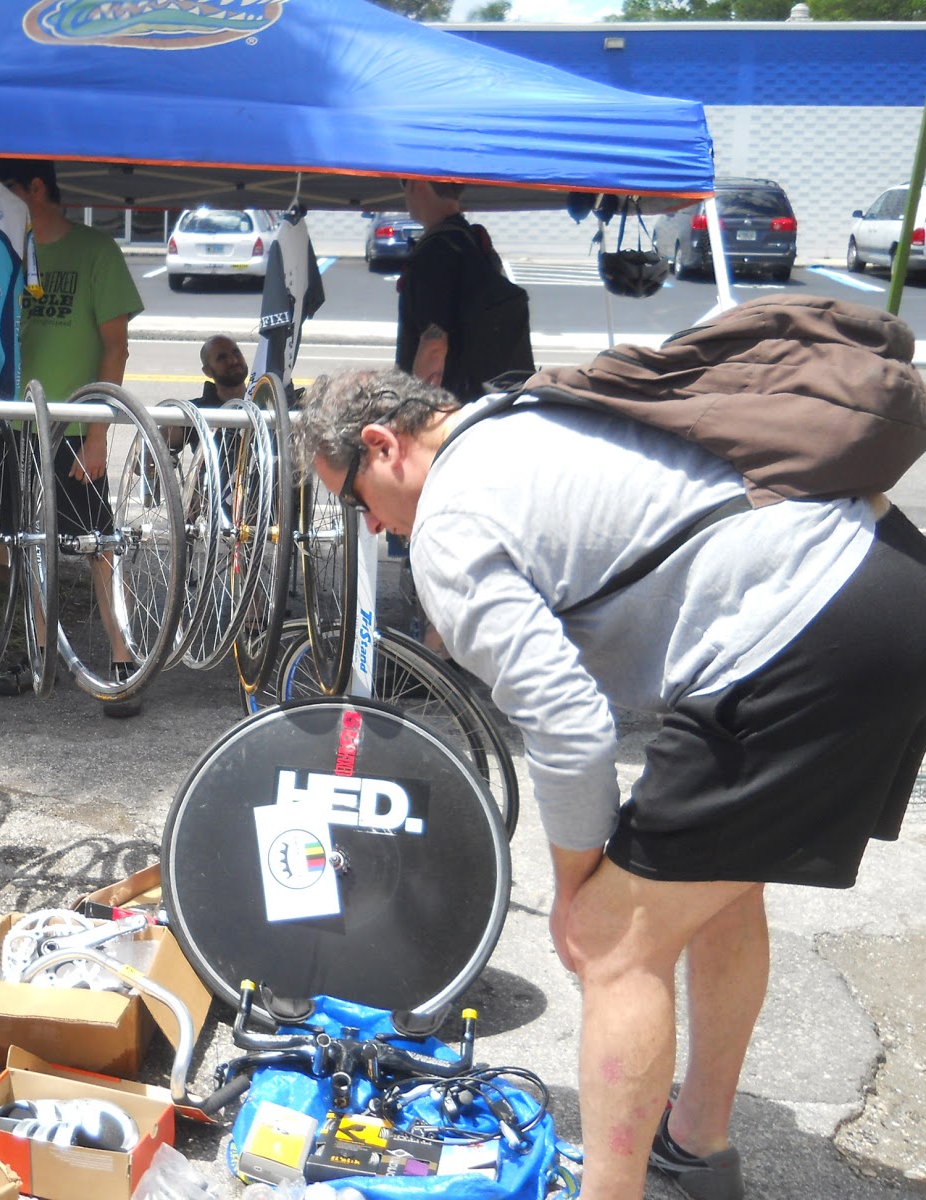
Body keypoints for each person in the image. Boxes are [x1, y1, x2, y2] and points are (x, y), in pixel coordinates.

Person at [294, 364, 926, 1200]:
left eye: (355, 500)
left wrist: (576, 889)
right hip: (888, 575)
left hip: (799, 633)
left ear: (383, 444)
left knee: (613, 940)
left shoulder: (450, 523)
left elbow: (569, 725)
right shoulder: (522, 411)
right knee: (718, 889)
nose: (373, 526)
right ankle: (697, 1145)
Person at [0, 158, 145, 718]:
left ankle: (123, 657)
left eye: (5, 190)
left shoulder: (95, 251)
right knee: (26, 541)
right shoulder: (3, 249)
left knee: (97, 542)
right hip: (13, 422)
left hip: (75, 423)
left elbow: (116, 347)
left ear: (35, 188)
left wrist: (99, 433)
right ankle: (40, 651)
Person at [395, 178, 522, 402]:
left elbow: (434, 345)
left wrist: (412, 408)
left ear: (418, 183)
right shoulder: (473, 241)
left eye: (404, 183)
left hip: (449, 404)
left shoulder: (436, 252)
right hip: (483, 399)